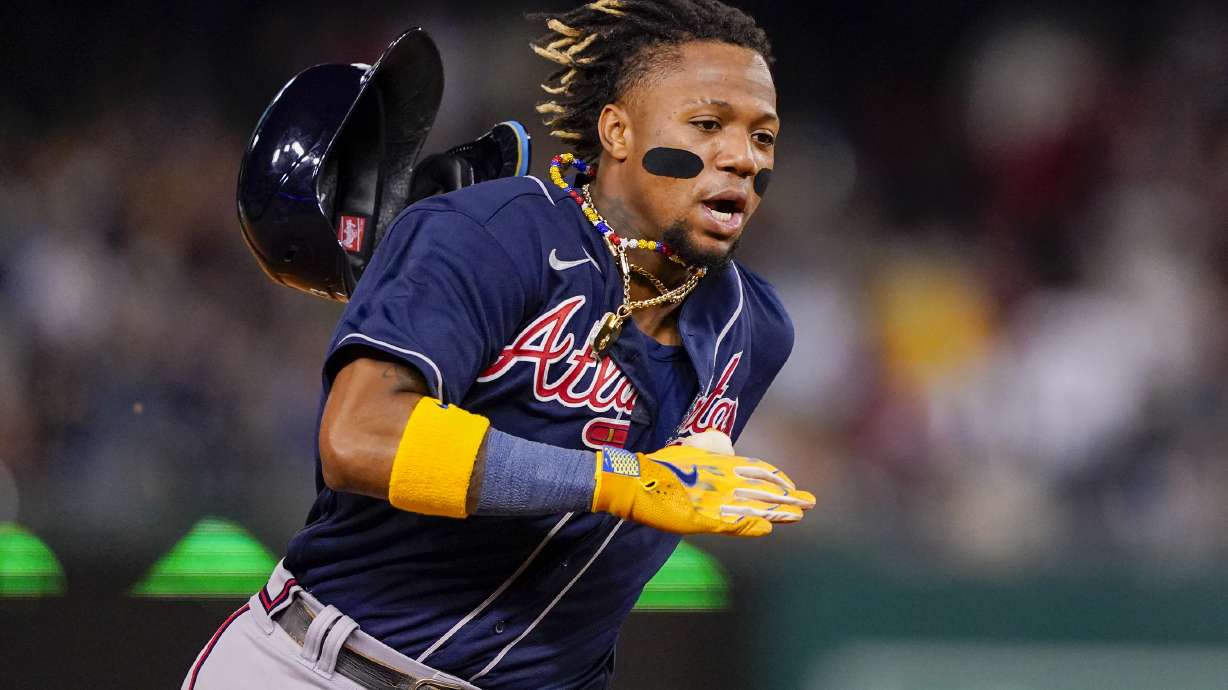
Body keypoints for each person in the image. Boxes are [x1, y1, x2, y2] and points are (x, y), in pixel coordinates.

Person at [183, 0, 815, 688]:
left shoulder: (754, 331)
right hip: (324, 668)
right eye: (707, 124)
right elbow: (359, 438)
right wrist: (621, 481)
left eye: (764, 137)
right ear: (617, 131)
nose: (743, 157)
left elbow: (594, 573)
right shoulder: (492, 235)